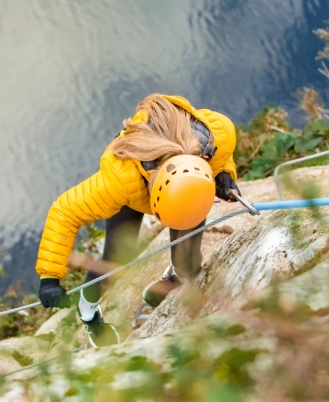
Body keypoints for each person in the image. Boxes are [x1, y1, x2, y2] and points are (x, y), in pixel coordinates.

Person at [35, 94, 241, 346]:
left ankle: (177, 275)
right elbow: (64, 211)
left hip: (191, 190)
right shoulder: (119, 180)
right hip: (132, 192)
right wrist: (50, 278)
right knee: (116, 260)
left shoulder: (218, 138)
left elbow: (223, 159)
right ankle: (88, 312)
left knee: (188, 259)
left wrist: (223, 175)